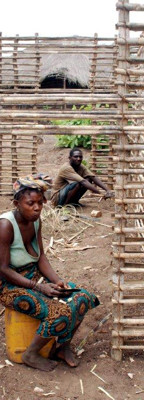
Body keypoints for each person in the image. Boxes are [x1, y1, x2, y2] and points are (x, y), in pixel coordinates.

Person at [0, 174, 100, 372]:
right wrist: (38, 287)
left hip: (35, 278)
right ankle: (31, 354)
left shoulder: (35, 221)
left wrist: (58, 281)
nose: (37, 208)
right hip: (9, 286)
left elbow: (41, 257)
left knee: (82, 297)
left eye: (40, 203)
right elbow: (2, 269)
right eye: (31, 203)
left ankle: (62, 347)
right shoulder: (5, 226)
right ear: (17, 203)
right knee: (59, 311)